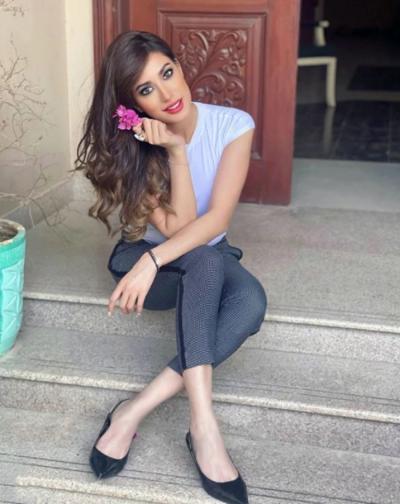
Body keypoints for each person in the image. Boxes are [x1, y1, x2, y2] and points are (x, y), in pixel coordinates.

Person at [74, 30, 267, 504]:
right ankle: (205, 428)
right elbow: (178, 225)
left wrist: (156, 257)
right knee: (204, 261)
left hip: (178, 258)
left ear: (180, 66)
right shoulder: (134, 146)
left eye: (167, 73)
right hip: (143, 266)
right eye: (146, 89)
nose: (166, 94)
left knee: (249, 300)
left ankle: (133, 410)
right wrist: (173, 154)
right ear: (133, 103)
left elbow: (215, 221)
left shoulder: (233, 126)